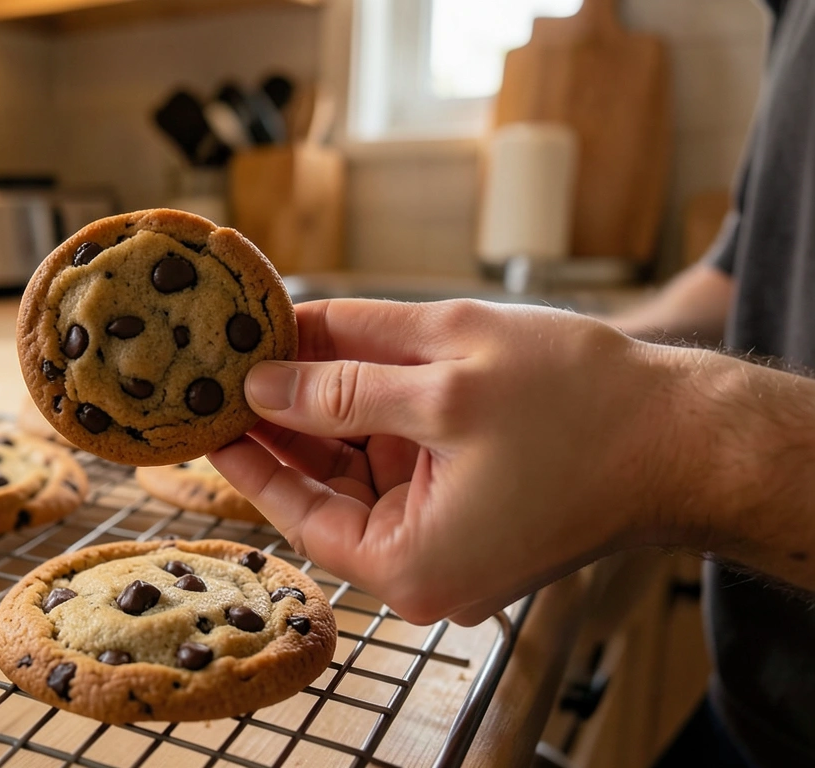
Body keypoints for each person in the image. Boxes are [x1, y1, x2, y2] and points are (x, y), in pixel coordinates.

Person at [210, 2, 815, 766]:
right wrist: (567, 358)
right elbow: (741, 279)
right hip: (760, 704)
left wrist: (647, 435)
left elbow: (662, 417)